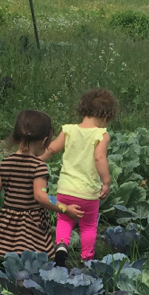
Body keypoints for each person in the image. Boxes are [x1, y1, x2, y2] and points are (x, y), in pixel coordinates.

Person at [0, 110, 84, 258]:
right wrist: (65, 208)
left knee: (12, 260)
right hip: (30, 225)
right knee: (32, 261)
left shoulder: (5, 163)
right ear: (44, 140)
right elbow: (41, 196)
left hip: (8, 223)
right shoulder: (38, 166)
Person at [42, 88, 119, 266]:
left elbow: (52, 149)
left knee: (64, 219)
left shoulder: (68, 130)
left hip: (65, 190)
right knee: (88, 225)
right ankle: (86, 258)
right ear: (106, 116)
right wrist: (106, 182)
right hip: (88, 193)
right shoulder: (101, 134)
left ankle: (61, 244)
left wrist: (35, 160)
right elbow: (99, 157)